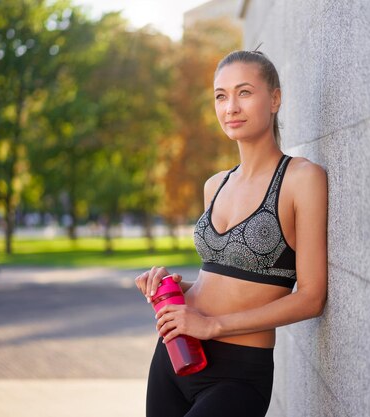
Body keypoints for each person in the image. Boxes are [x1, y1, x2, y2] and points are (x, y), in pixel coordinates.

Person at [135, 49, 328, 417]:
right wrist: (176, 287)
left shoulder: (301, 179)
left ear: (275, 99)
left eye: (244, 92)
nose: (230, 107)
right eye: (221, 96)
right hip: (176, 355)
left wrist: (213, 325)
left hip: (238, 375)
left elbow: (312, 297)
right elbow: (227, 279)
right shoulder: (216, 184)